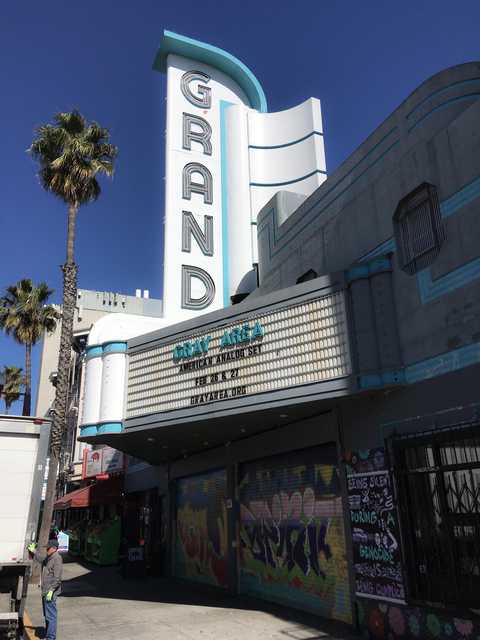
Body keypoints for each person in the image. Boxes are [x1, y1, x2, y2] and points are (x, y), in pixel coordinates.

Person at [28, 539, 63, 640]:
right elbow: (40, 559)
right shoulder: (49, 557)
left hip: (50, 592)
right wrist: (33, 551)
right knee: (47, 615)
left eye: (48, 548)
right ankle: (49, 636)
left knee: (51, 616)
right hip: (45, 591)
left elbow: (57, 578)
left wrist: (51, 591)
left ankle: (50, 638)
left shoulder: (57, 559)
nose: (47, 549)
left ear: (55, 548)